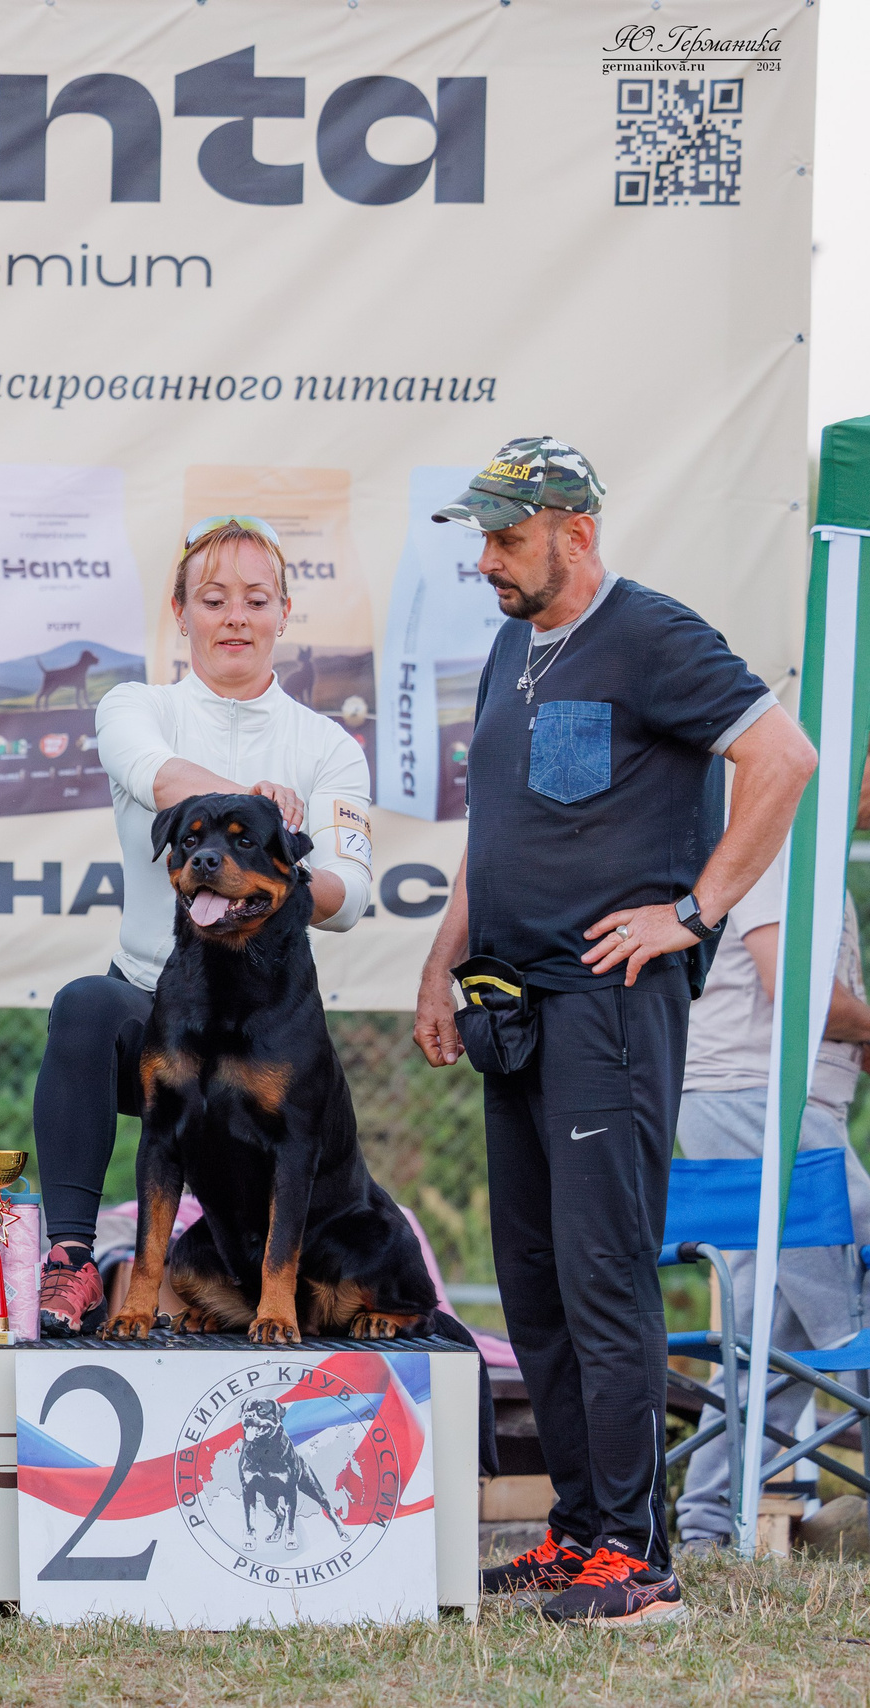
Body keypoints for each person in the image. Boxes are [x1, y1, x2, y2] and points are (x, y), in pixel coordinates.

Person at [411, 437, 817, 1625]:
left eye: (503, 536)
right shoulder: (503, 647)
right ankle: (578, 1530)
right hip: (510, 1006)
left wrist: (693, 911)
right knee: (532, 1284)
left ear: (572, 531)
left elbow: (781, 758)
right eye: (478, 537)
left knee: (601, 1275)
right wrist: (441, 964)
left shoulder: (652, 633)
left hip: (608, 1008)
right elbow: (499, 834)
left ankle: (637, 1559)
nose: (484, 559)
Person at [31, 516, 376, 1334]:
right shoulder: (133, 706)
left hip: (264, 1021)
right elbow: (161, 778)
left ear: (284, 613)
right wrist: (252, 813)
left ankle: (296, 1284)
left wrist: (286, 863)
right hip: (156, 1005)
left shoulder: (329, 746)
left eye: (255, 600)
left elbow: (349, 896)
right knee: (83, 1004)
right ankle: (72, 1263)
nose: (235, 617)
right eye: (213, 599)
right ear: (180, 613)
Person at [673, 840, 870, 1551]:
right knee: (851, 1309)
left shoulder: (811, 856)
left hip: (772, 1100)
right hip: (760, 1100)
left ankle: (704, 1526)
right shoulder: (787, 849)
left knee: (771, 1329)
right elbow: (788, 984)